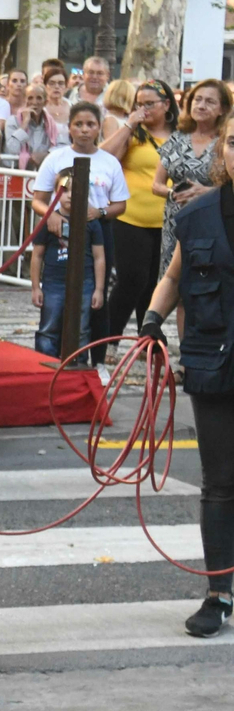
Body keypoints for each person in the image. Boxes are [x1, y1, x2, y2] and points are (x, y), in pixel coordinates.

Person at [140, 115, 234, 638]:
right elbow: (174, 275)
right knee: (219, 482)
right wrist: (152, 321)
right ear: (222, 150)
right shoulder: (198, 213)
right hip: (212, 360)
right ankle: (218, 593)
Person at [29, 101, 130, 356]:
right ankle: (50, 354)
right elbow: (38, 200)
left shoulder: (110, 162)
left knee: (95, 296)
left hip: (97, 231)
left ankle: (95, 358)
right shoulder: (56, 158)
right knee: (56, 295)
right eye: (79, 124)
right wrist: (51, 214)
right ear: (69, 127)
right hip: (60, 229)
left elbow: (120, 205)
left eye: (90, 124)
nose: (85, 130)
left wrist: (100, 212)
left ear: (99, 127)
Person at [101, 79, 174, 343]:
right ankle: (109, 339)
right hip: (130, 217)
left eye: (150, 104)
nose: (144, 110)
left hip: (167, 221)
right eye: (139, 104)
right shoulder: (133, 133)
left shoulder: (180, 135)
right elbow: (103, 158)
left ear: (167, 105)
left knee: (154, 285)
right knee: (132, 280)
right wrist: (129, 124)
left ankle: (148, 341)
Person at [29, 167, 109, 358]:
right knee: (49, 327)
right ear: (56, 192)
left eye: (76, 190)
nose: (70, 195)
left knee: (81, 328)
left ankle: (77, 364)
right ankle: (43, 362)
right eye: (65, 190)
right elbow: (37, 255)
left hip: (84, 284)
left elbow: (99, 257)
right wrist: (35, 287)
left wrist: (99, 289)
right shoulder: (48, 221)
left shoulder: (92, 223)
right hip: (53, 284)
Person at [155, 79, 232, 275]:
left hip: (213, 217)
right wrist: (172, 193)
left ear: (223, 109)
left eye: (209, 101)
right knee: (172, 277)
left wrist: (207, 193)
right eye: (197, 99)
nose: (201, 105)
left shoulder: (227, 142)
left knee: (203, 278)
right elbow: (156, 184)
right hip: (175, 218)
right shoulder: (177, 138)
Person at [1, 80, 65, 170]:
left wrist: (46, 154)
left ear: (45, 102)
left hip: (41, 171)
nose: (34, 102)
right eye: (30, 98)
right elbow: (12, 149)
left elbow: (62, 147)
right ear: (24, 100)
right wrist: (25, 123)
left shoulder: (51, 124)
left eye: (39, 98)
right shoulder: (13, 121)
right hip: (16, 172)